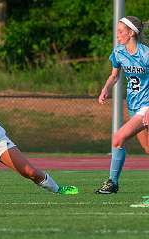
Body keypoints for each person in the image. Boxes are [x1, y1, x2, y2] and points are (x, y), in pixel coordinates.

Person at [95, 16, 149, 194]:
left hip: (146, 106)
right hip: (134, 107)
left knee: (118, 138)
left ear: (131, 33)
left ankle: (112, 182)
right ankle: (113, 183)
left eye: (120, 31)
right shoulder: (119, 52)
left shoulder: (146, 54)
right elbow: (114, 75)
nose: (117, 35)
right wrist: (106, 89)